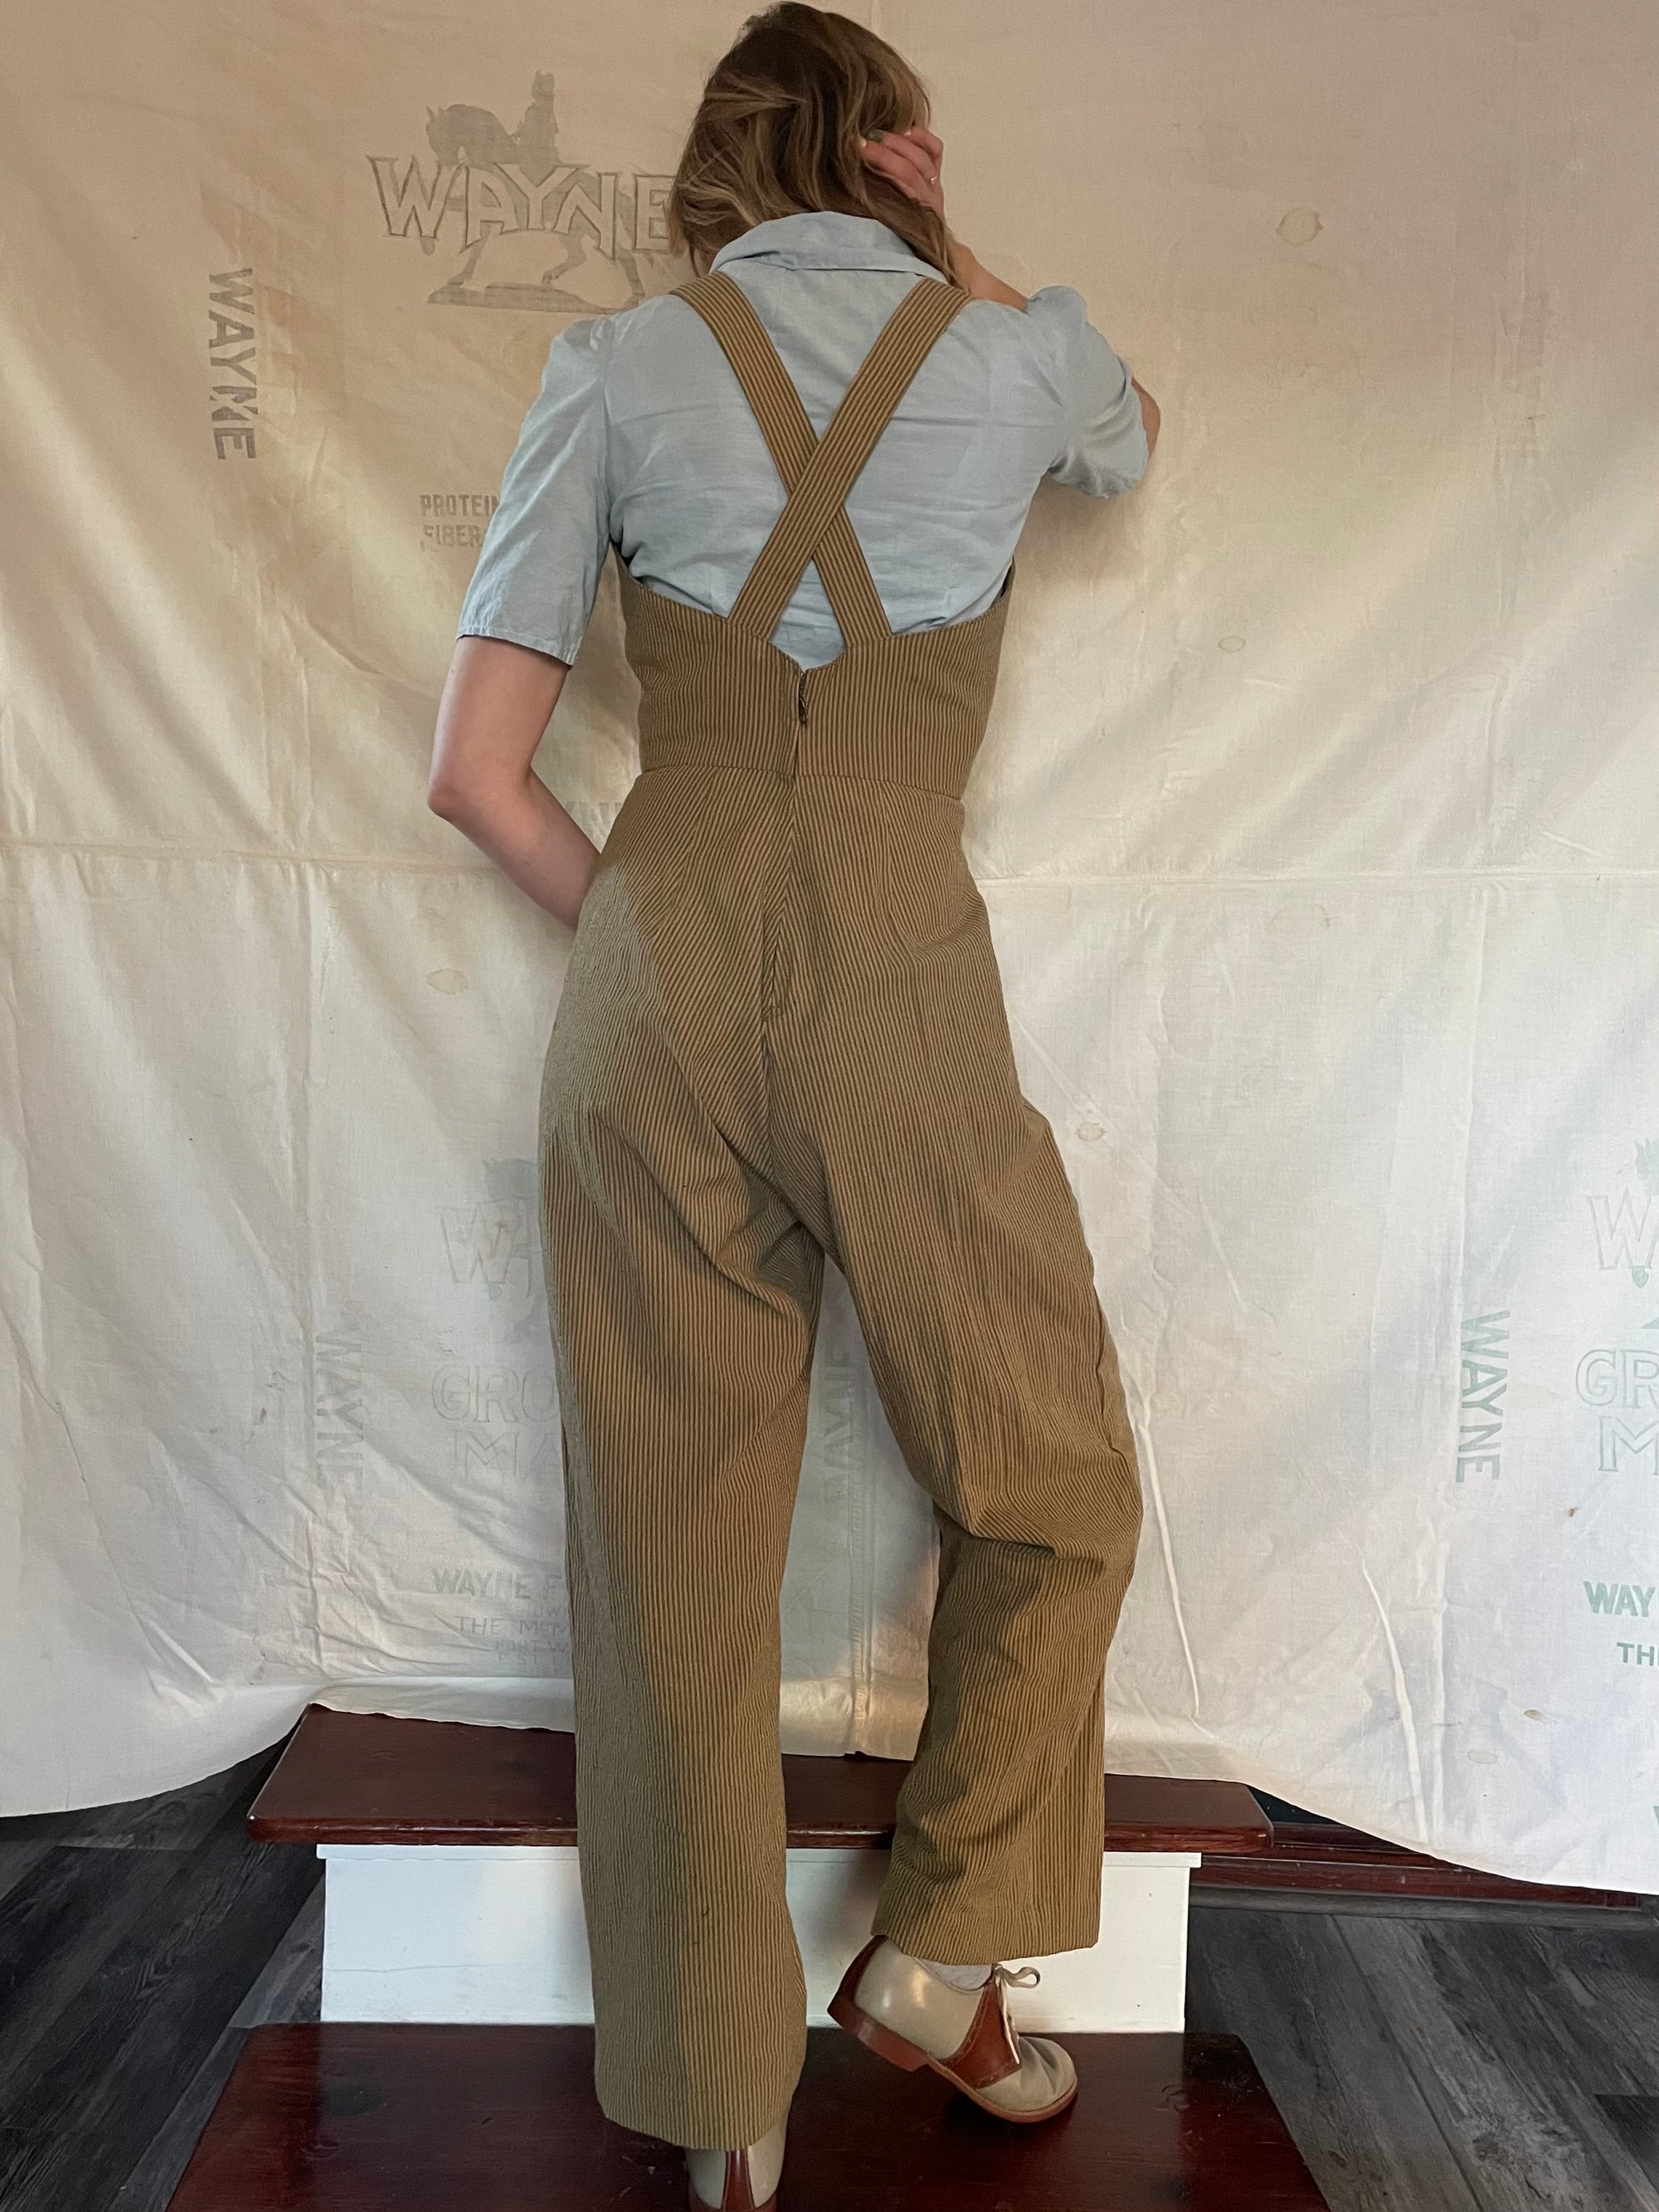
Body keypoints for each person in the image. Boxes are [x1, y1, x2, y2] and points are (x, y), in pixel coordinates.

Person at [427, 8, 1159, 2206]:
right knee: (1050, 1478)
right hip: (898, 977)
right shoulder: (1012, 357)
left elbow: (472, 774)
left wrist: (656, 945)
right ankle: (941, 1956)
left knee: (670, 1552)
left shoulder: (610, 367)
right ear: (899, 152)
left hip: (650, 979)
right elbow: (1132, 439)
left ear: (716, 167)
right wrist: (963, 249)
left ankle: (720, 2102)